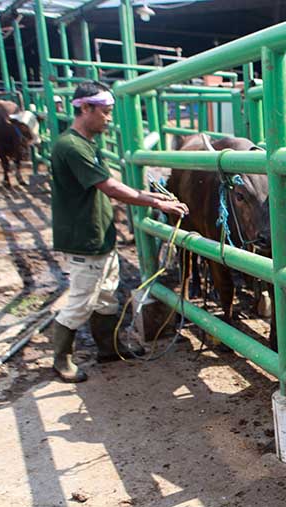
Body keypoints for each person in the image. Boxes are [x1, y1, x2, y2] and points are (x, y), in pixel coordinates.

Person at [49, 81, 189, 383]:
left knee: (107, 296)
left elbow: (106, 184)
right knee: (82, 300)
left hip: (99, 235)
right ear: (85, 108)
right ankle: (61, 360)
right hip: (83, 238)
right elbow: (109, 186)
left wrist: (157, 197)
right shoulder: (71, 147)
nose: (108, 119)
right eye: (105, 112)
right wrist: (155, 201)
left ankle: (108, 348)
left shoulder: (86, 144)